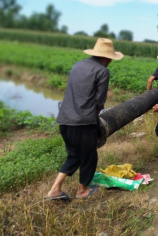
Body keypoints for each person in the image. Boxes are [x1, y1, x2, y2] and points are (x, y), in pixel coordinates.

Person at [45, 38, 124, 200]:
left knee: (74, 155)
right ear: (108, 58)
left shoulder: (78, 65)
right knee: (89, 156)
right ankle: (82, 190)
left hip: (64, 119)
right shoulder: (102, 71)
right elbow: (99, 101)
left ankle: (55, 189)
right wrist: (95, 118)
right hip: (83, 122)